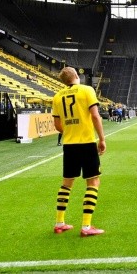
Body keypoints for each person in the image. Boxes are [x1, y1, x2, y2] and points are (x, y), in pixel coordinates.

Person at [51, 67, 106, 237]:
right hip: (86, 142)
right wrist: (102, 139)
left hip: (69, 144)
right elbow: (95, 116)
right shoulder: (87, 90)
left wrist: (70, 130)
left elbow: (57, 125)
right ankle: (87, 226)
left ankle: (59, 222)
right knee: (93, 182)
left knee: (66, 183)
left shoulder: (57, 96)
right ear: (76, 76)